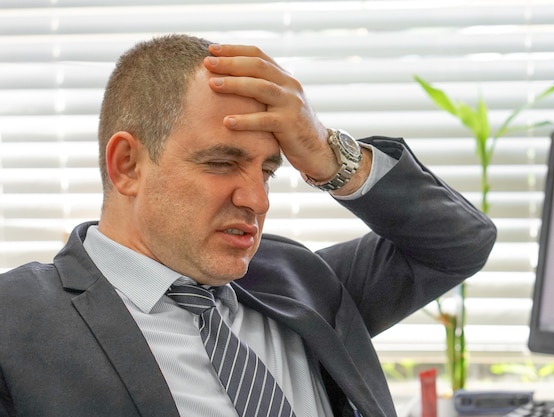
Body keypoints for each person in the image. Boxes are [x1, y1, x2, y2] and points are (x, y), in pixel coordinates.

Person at [0, 34, 496, 417]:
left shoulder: (298, 278)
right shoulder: (16, 322)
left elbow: (459, 243)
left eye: (267, 171)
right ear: (128, 164)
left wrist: (326, 155)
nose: (257, 199)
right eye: (221, 163)